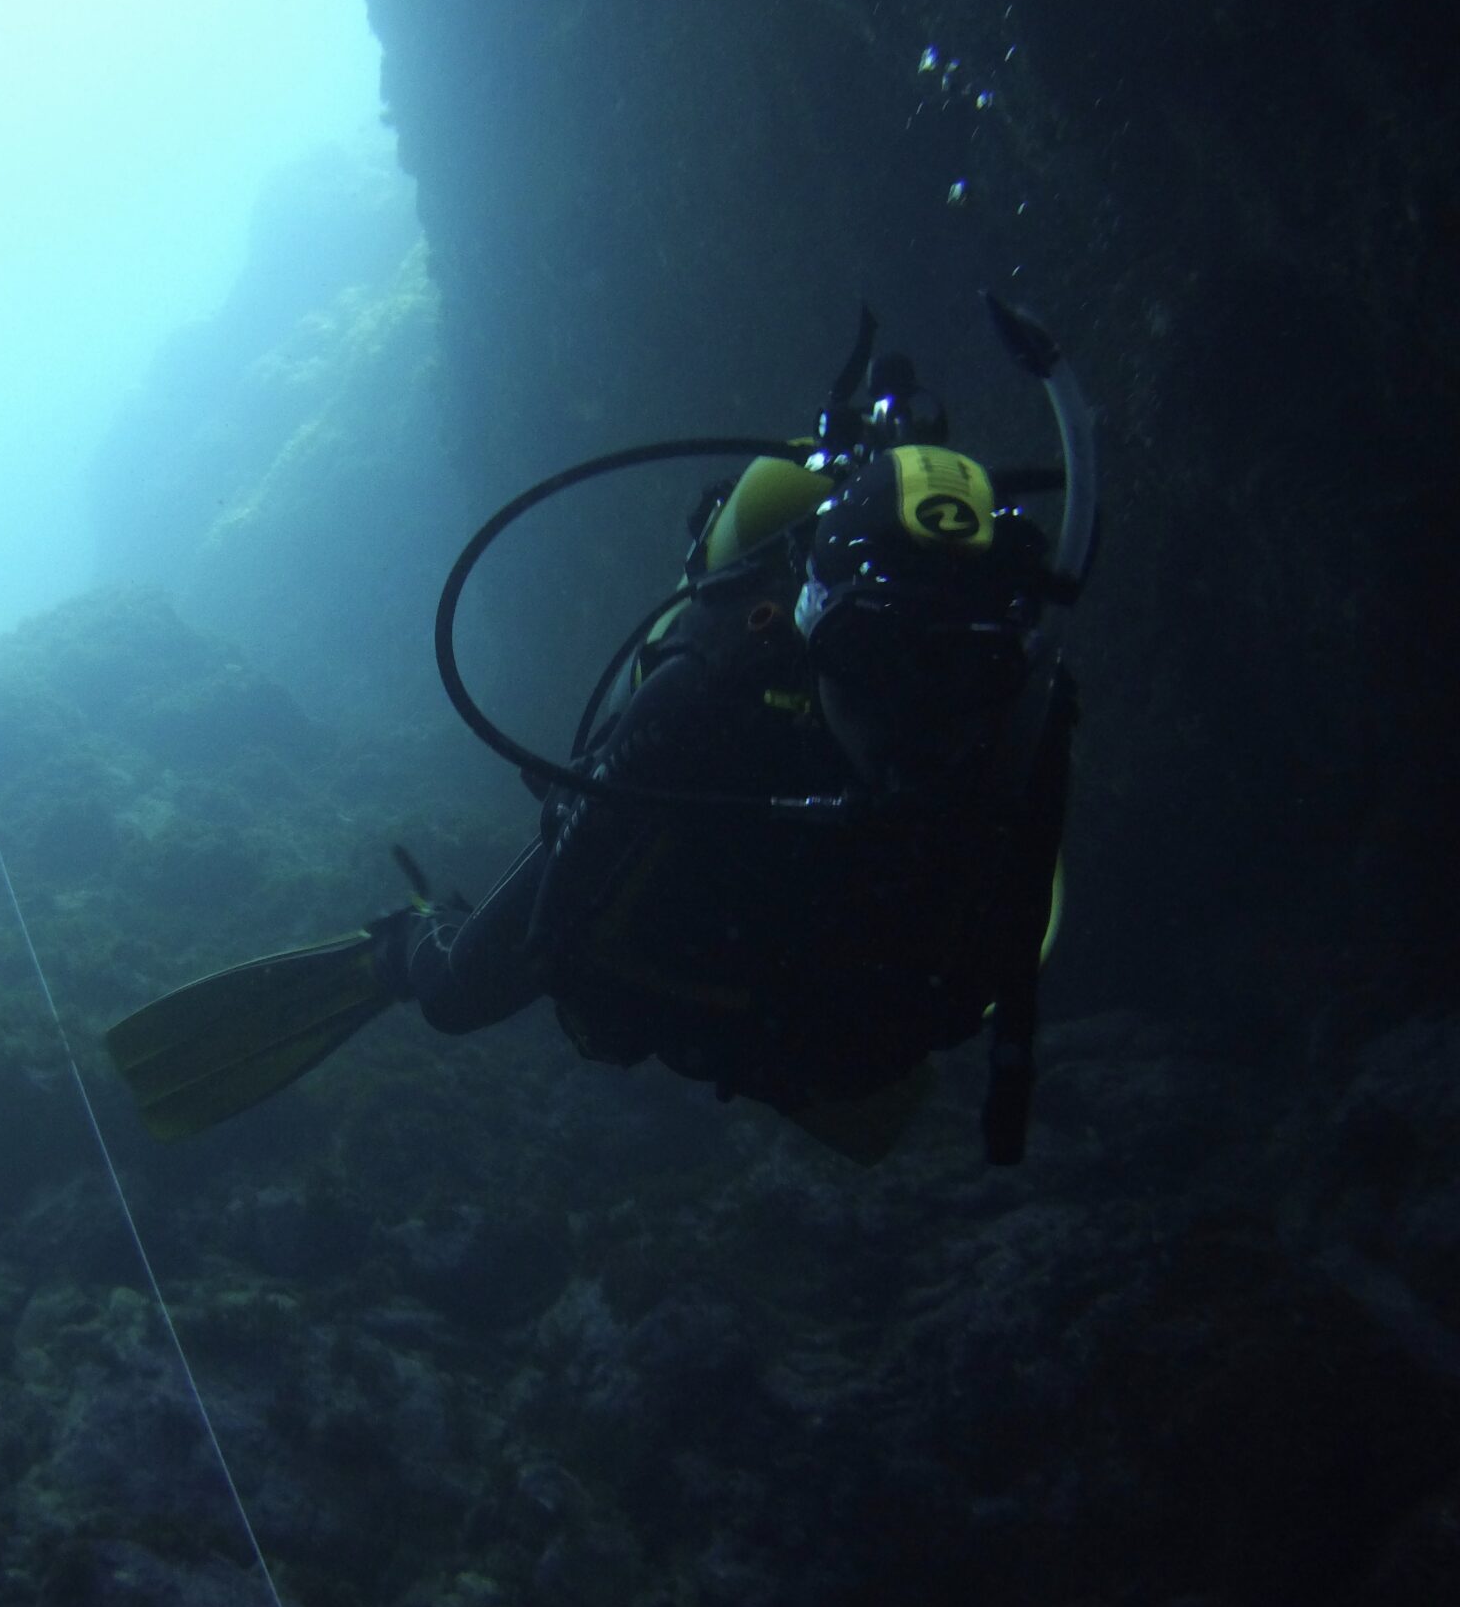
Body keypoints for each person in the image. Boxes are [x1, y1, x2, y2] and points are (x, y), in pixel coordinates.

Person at [107, 302, 1091, 1166]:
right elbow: (559, 939)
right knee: (453, 996)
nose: (912, 710)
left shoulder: (1018, 726)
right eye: (876, 657)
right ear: (807, 627)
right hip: (693, 922)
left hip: (811, 963)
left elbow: (994, 968)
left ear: (1005, 658)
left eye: (958, 669)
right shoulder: (706, 700)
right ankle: (400, 947)